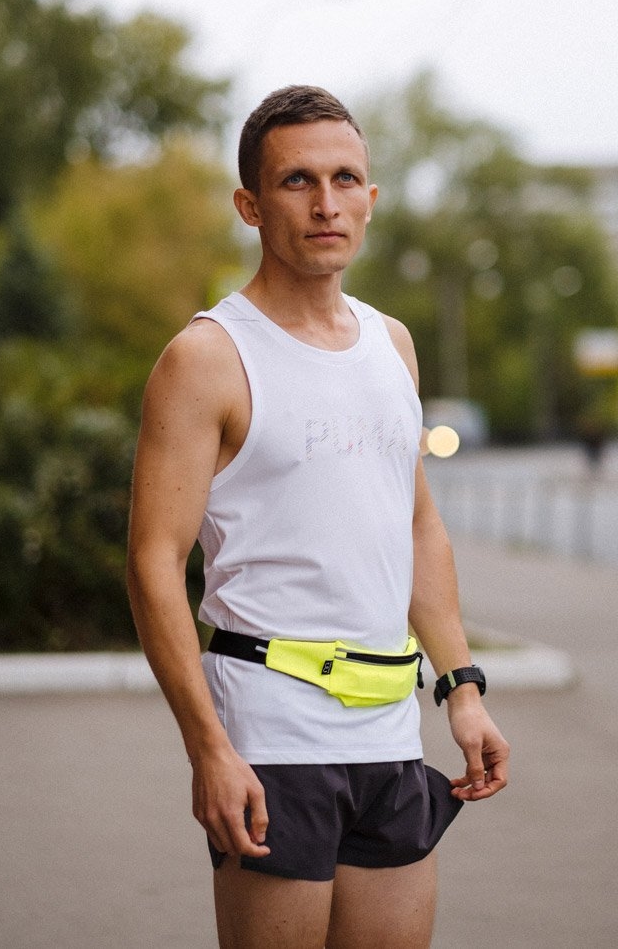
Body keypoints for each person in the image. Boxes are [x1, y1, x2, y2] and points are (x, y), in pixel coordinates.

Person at [127, 85, 509, 949]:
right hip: (269, 735)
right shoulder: (207, 357)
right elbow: (154, 561)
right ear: (251, 206)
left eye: (345, 180)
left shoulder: (392, 344)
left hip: (389, 732)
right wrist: (208, 748)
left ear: (370, 197)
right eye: (297, 180)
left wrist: (462, 688)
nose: (326, 203)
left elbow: (416, 525)